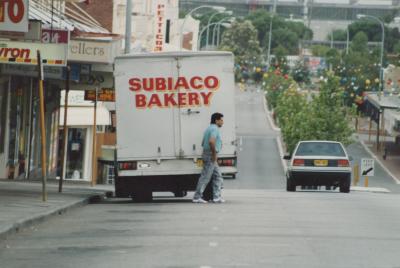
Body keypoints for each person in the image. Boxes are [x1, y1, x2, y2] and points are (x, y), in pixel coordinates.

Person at [193, 112, 225, 204]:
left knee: (218, 176)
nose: (222, 122)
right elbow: (211, 142)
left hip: (208, 154)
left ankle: (216, 197)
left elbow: (203, 143)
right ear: (216, 120)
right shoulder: (214, 129)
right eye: (221, 120)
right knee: (205, 177)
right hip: (210, 155)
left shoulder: (208, 129)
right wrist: (214, 153)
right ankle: (197, 197)